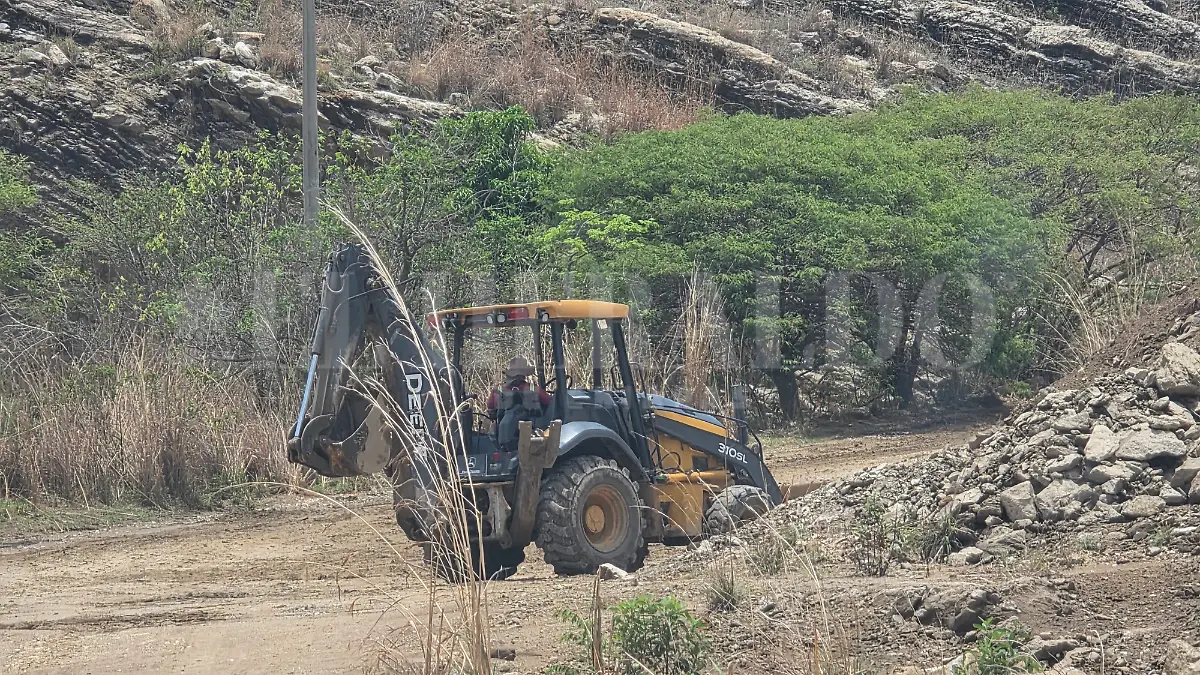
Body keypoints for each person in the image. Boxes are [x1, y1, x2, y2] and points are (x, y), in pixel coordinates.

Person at [486, 356, 551, 416]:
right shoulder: (535, 389)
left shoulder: (497, 389)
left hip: (501, 426)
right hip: (532, 427)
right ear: (523, 375)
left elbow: (490, 406)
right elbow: (550, 402)